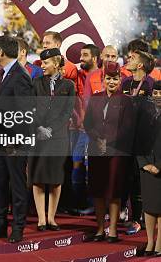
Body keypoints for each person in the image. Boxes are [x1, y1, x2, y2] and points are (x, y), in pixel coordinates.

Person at [0, 35, 33, 243]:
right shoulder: (3, 74)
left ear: (2, 52)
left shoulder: (20, 75)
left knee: (17, 185)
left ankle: (18, 228)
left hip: (14, 143)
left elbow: (25, 111)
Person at [84, 61, 135, 243]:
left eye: (115, 78)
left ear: (119, 80)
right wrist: (98, 140)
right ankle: (99, 229)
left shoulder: (126, 101)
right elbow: (87, 123)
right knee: (97, 190)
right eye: (108, 78)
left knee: (114, 191)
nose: (111, 82)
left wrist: (109, 142)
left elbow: (128, 127)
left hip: (116, 152)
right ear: (103, 79)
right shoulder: (96, 98)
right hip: (96, 149)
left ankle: (112, 230)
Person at [29, 49, 76, 231]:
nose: (42, 66)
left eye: (46, 63)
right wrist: (39, 127)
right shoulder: (36, 83)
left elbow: (67, 112)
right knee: (38, 177)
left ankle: (51, 218)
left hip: (58, 138)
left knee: (56, 178)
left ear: (56, 64)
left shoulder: (68, 86)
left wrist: (50, 129)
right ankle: (41, 219)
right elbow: (30, 109)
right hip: (38, 136)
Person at [120, 49, 156, 235]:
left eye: (132, 58)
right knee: (125, 178)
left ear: (140, 65)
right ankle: (125, 212)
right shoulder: (125, 82)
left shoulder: (150, 84)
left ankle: (138, 219)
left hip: (142, 142)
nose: (128, 59)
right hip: (125, 141)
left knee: (139, 181)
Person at [69, 44, 100, 216]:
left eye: (85, 55)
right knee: (76, 165)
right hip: (79, 130)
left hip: (95, 132)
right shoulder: (77, 76)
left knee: (91, 168)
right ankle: (79, 203)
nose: (81, 58)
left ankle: (93, 205)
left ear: (94, 58)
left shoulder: (102, 77)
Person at [136, 81, 161, 256]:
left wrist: (159, 166)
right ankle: (150, 242)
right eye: (156, 92)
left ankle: (160, 245)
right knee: (149, 207)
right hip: (146, 167)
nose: (157, 96)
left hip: (160, 168)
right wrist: (143, 163)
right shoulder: (146, 114)